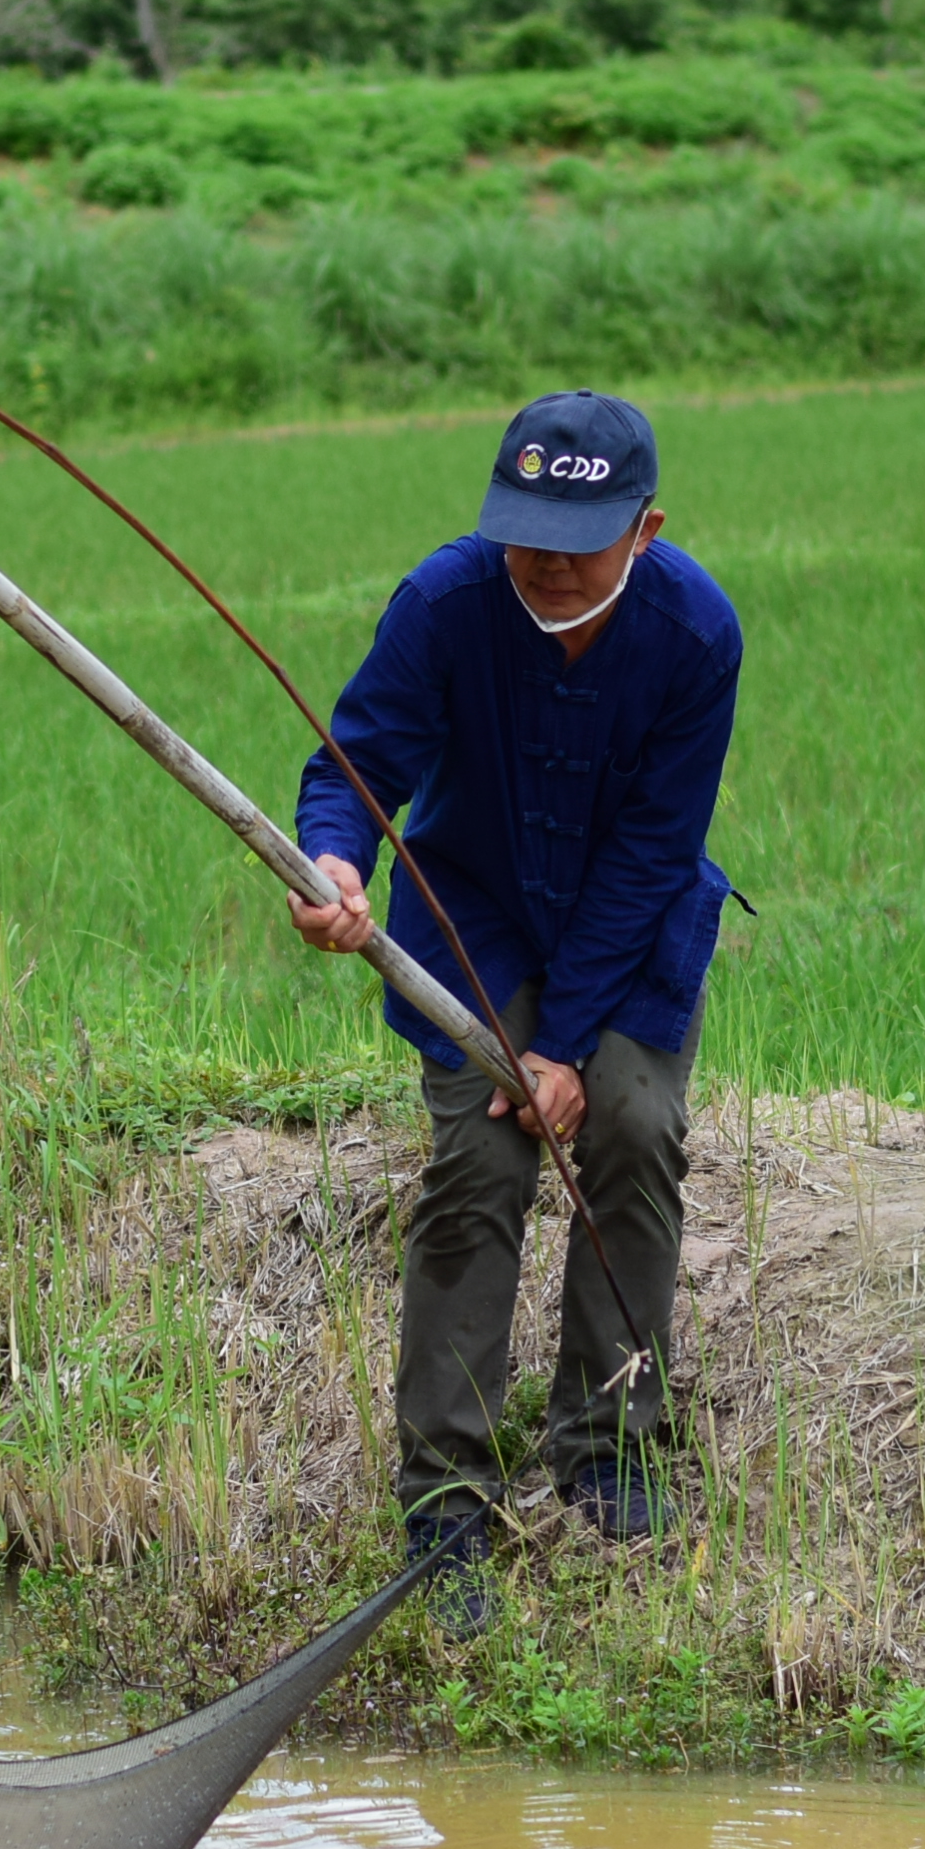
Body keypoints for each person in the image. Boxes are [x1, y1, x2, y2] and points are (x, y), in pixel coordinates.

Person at [288, 392, 739, 1612]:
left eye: (576, 539)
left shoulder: (697, 636)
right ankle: (445, 1497)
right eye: (523, 531)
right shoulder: (444, 604)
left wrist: (568, 1049)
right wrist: (332, 865)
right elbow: (353, 766)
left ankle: (607, 1446)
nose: (542, 562)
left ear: (644, 531)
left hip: (628, 928)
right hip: (473, 917)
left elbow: (652, 851)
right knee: (482, 1160)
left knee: (634, 1128)